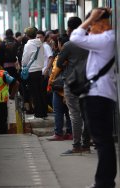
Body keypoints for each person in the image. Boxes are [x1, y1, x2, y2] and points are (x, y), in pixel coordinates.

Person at [70, 8, 116, 188]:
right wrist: (92, 19)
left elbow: (75, 37)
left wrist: (89, 19)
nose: (89, 29)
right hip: (102, 94)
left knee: (102, 142)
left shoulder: (105, 39)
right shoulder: (108, 38)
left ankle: (104, 183)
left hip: (98, 95)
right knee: (104, 141)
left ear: (99, 22)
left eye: (92, 24)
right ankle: (105, 181)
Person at [56, 17, 91, 155]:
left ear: (70, 29)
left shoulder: (69, 45)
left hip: (72, 83)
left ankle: (77, 146)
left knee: (75, 114)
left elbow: (59, 64)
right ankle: (86, 144)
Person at [46, 35, 72, 141]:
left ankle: (58, 133)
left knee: (58, 111)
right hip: (70, 86)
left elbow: (55, 71)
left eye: (58, 43)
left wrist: (50, 82)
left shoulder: (60, 56)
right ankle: (70, 133)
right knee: (69, 112)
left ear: (61, 44)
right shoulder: (73, 56)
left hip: (59, 87)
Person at [22, 27, 47, 119]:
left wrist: (23, 66)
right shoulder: (40, 43)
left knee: (34, 94)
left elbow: (25, 59)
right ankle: (43, 112)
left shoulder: (28, 45)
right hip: (39, 71)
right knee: (40, 93)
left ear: (27, 35)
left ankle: (38, 114)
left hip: (31, 71)